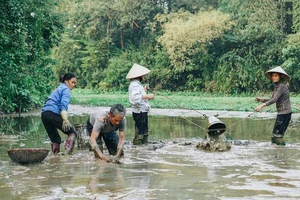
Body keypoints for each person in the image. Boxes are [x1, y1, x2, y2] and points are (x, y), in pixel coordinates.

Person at [41, 72, 77, 154]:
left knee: (55, 139)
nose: (73, 85)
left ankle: (55, 158)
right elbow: (63, 104)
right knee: (72, 132)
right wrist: (65, 119)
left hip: (44, 114)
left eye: (75, 83)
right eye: (72, 82)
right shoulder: (66, 89)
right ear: (66, 81)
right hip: (52, 113)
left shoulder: (58, 88)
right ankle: (67, 155)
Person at [255, 66, 291, 145]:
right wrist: (262, 100)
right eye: (273, 76)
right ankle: (276, 152)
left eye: (276, 76)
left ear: (280, 76)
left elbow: (274, 99)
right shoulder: (277, 86)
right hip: (282, 113)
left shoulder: (281, 86)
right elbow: (273, 98)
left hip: (285, 114)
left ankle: (283, 152)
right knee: (274, 137)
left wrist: (261, 106)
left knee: (277, 136)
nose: (274, 77)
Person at [126, 63, 155, 145]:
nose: (144, 76)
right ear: (139, 76)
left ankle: (143, 146)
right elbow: (135, 98)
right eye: (143, 75)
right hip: (140, 112)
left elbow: (139, 95)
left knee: (143, 130)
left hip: (141, 111)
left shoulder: (136, 84)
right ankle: (138, 148)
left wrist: (144, 90)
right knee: (141, 132)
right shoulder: (135, 85)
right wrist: (148, 96)